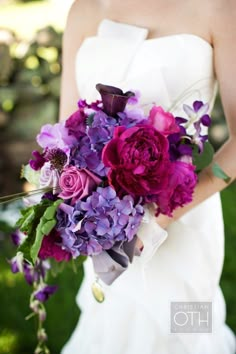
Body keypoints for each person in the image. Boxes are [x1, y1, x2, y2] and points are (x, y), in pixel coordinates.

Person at [60, 1, 236, 353]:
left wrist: (153, 220)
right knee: (110, 330)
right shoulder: (84, 9)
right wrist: (73, 204)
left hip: (185, 219)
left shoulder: (220, 8)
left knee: (187, 332)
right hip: (106, 227)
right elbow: (65, 133)